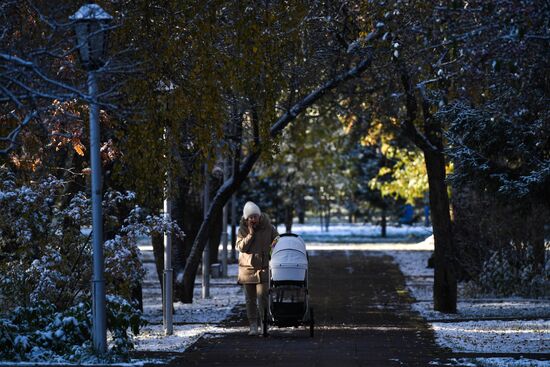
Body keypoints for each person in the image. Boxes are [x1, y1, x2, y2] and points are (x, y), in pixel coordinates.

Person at [237, 201, 279, 336]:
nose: (253, 219)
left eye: (255, 216)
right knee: (250, 300)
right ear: (246, 218)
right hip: (247, 269)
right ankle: (253, 326)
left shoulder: (269, 227)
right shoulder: (242, 229)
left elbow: (277, 241)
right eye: (250, 217)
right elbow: (241, 247)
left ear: (260, 215)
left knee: (263, 298)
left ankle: (264, 324)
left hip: (264, 268)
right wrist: (250, 234)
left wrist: (271, 253)